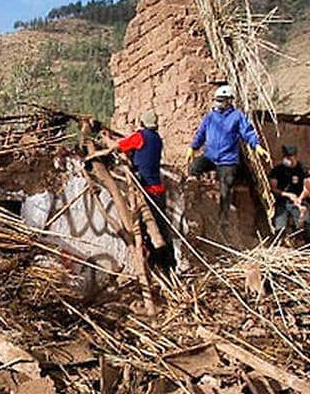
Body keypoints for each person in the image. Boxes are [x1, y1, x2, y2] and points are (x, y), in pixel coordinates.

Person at [185, 85, 269, 215]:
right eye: (217, 100)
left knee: (227, 184)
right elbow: (200, 134)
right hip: (210, 157)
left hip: (228, 160)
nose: (217, 103)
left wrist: (256, 145)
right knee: (194, 167)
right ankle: (194, 202)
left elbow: (248, 132)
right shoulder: (210, 117)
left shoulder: (237, 116)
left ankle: (223, 216)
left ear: (229, 101)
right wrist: (193, 147)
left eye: (221, 100)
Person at [114, 110, 174, 269]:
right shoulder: (157, 139)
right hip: (158, 189)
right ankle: (168, 264)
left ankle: (153, 263)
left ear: (142, 123)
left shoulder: (140, 136)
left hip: (145, 188)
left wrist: (107, 139)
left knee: (143, 226)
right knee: (161, 226)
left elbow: (118, 146)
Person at [269, 145, 310, 243]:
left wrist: (299, 199)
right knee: (279, 227)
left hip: (299, 201)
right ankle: (280, 244)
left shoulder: (304, 169)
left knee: (307, 224)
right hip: (282, 201)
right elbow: (273, 188)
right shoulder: (277, 170)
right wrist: (287, 195)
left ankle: (308, 247)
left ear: (295, 157)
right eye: (286, 157)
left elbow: (306, 189)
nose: (288, 160)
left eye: (290, 157)